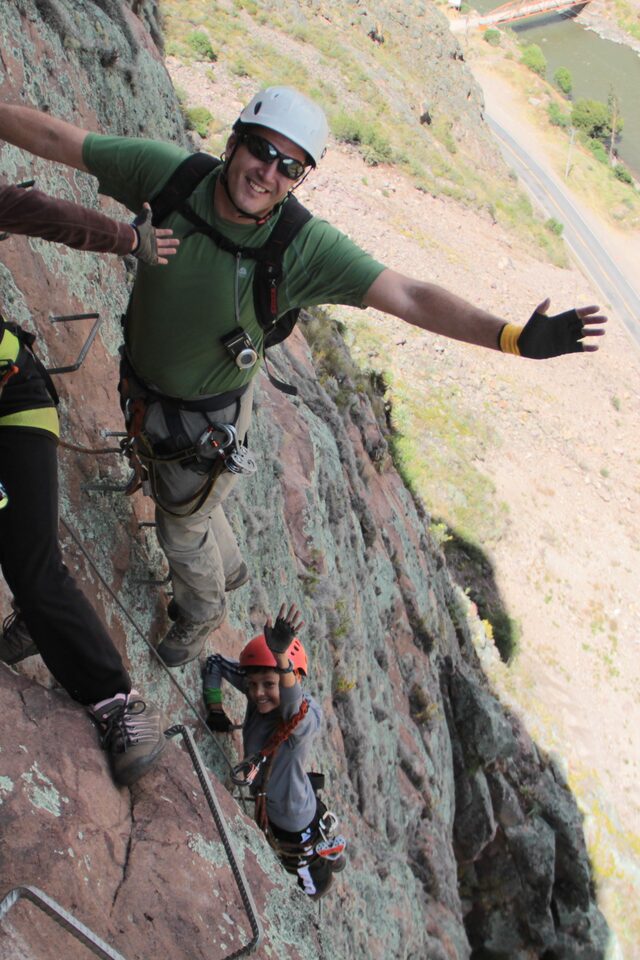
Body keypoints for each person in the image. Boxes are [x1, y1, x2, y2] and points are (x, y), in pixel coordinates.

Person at [0, 88, 607, 668]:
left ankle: (202, 610)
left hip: (203, 417)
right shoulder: (174, 178)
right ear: (234, 142)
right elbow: (59, 139)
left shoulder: (301, 246)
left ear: (299, 179)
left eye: (289, 166)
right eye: (261, 150)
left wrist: (510, 338)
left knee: (180, 529)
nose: (268, 173)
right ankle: (228, 567)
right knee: (193, 506)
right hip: (152, 391)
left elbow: (409, 295)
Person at [0, 182, 179, 786]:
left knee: (33, 564)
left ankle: (120, 704)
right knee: (24, 558)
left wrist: (129, 239)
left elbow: (42, 213)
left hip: (15, 400)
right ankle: (39, 619)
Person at [203, 604, 346, 900]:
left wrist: (282, 661)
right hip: (279, 804)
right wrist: (215, 707)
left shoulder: (305, 716)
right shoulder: (259, 692)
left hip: (294, 818)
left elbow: (296, 711)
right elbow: (215, 663)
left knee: (311, 885)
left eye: (269, 684)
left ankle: (323, 872)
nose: (258, 693)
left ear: (294, 679)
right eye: (252, 684)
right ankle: (329, 856)